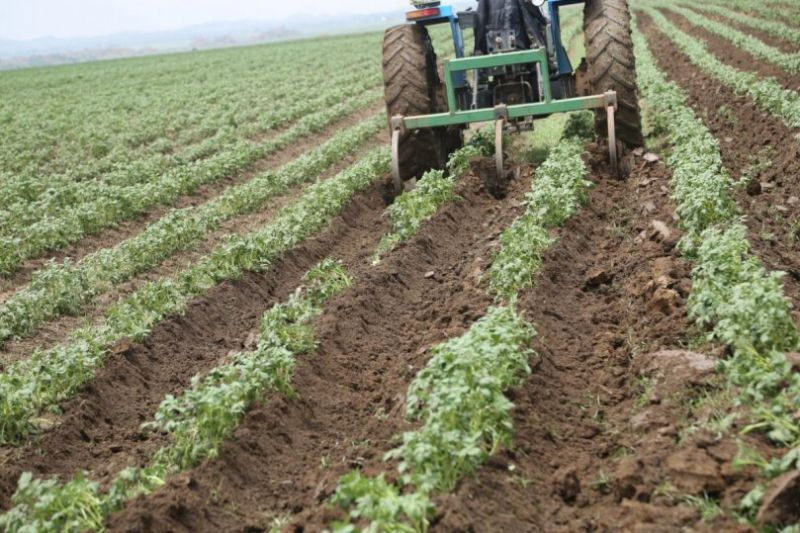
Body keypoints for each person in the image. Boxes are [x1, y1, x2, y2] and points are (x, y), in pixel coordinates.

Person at [474, 0, 549, 54]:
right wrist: (539, 42)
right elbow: (527, 19)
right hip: (518, 43)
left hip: (493, 44)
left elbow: (481, 20)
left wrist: (478, 47)